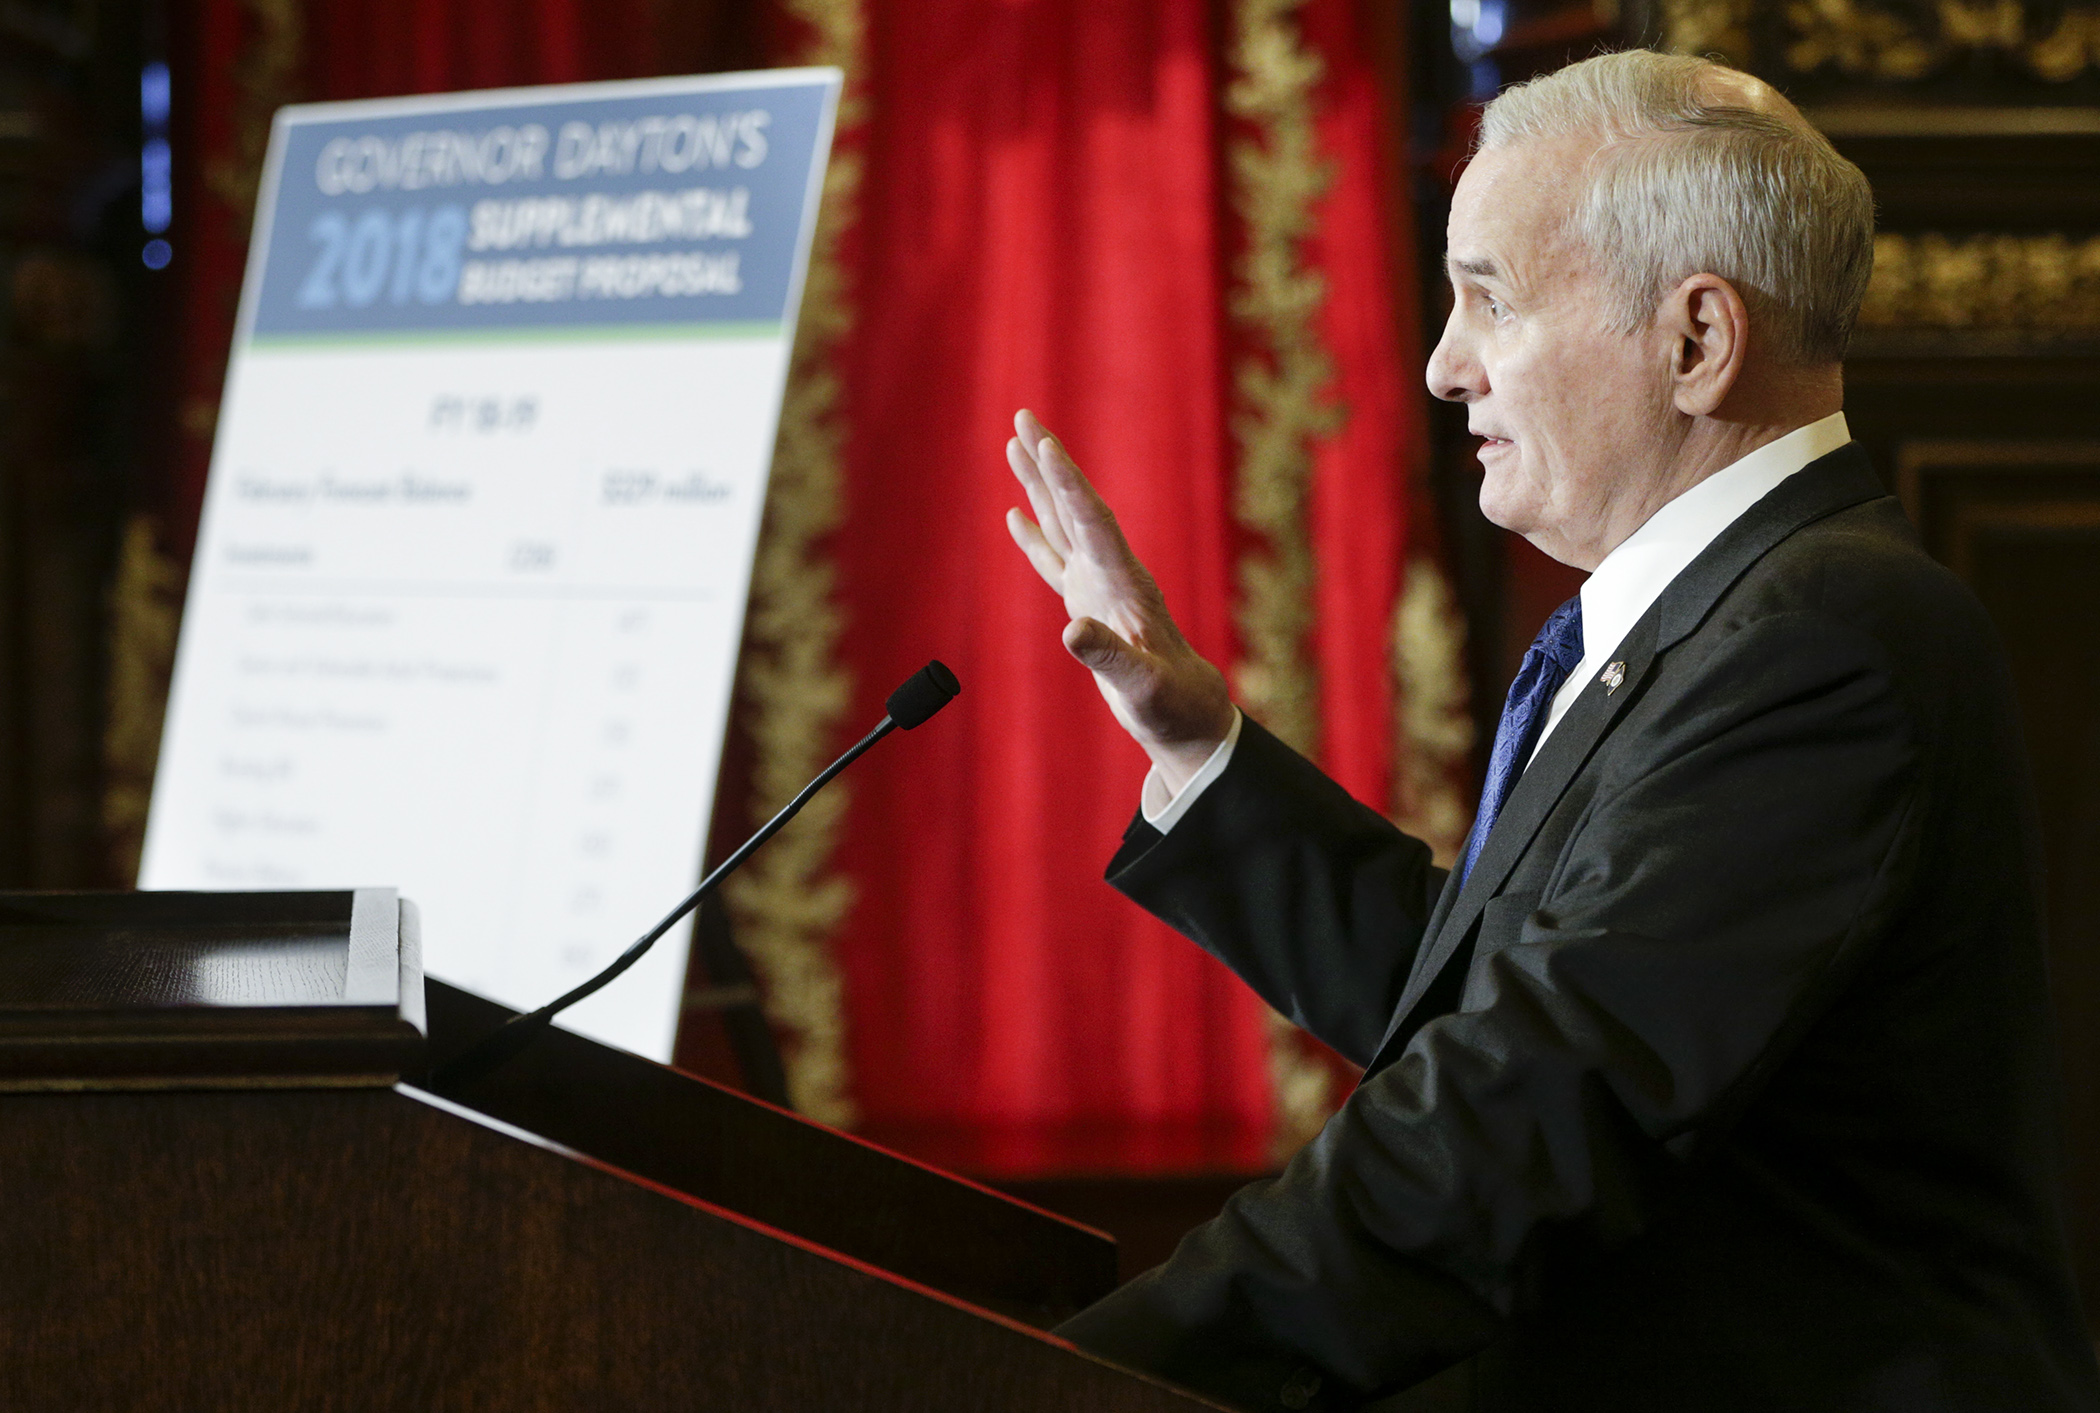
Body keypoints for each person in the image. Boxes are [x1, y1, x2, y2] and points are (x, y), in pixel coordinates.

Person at [1000, 49, 2100, 1413]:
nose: (1442, 365)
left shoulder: (1829, 641)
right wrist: (1202, 749)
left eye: (1489, 301)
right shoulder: (1724, 613)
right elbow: (1502, 999)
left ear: (1696, 342)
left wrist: (1058, 1380)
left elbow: (1526, 1108)